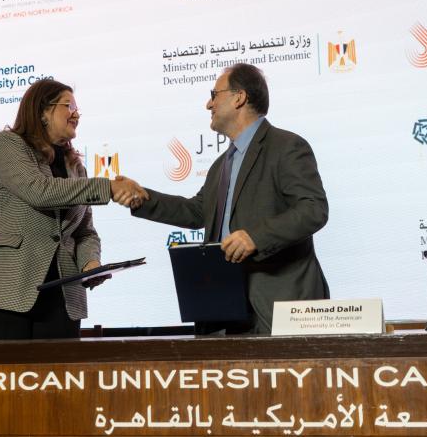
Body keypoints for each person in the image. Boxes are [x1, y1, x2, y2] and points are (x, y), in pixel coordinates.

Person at [125, 63, 329, 335]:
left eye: (214, 94)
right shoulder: (223, 163)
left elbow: (313, 209)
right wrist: (143, 198)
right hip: (222, 306)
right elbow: (197, 212)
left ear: (239, 97)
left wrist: (256, 237)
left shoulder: (286, 146)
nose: (208, 104)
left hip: (275, 304)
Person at [0, 79, 147, 340]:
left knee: (59, 381)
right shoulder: (8, 144)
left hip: (63, 300)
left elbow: (85, 232)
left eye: (78, 109)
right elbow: (38, 190)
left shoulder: (76, 167)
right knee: (0, 380)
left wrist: (90, 263)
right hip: (4, 294)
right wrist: (108, 188)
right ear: (42, 111)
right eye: (68, 106)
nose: (76, 114)